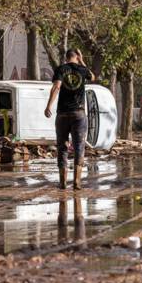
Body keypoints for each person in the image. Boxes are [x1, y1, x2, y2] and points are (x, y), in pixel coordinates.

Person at [44, 48, 95, 190]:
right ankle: (77, 182)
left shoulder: (61, 69)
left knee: (62, 147)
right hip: (78, 114)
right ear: (76, 57)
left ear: (66, 57)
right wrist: (82, 59)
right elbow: (93, 76)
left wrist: (48, 106)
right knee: (79, 147)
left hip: (62, 114)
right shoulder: (82, 70)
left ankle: (62, 182)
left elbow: (56, 87)